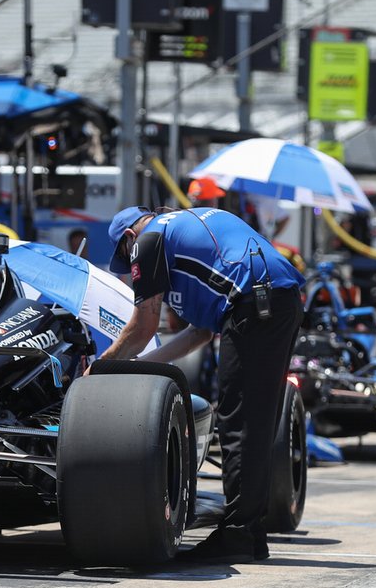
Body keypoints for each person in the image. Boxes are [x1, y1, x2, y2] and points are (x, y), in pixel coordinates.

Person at [97, 206, 305, 564]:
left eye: (125, 261)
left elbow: (143, 325)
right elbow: (200, 333)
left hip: (254, 304)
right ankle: (251, 533)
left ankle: (237, 534)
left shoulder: (148, 240)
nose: (133, 272)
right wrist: (137, 367)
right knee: (254, 422)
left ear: (128, 239)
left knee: (237, 422)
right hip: (278, 300)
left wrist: (103, 368)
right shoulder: (185, 228)